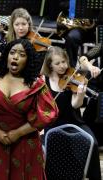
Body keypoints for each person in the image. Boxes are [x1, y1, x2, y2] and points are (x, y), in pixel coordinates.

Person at [0, 38, 58, 180]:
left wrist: (17, 133)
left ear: (28, 60)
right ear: (6, 55)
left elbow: (48, 114)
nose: (16, 57)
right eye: (12, 53)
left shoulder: (37, 85)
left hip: (24, 142)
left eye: (22, 55)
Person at [40, 46, 102, 180]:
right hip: (53, 124)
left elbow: (75, 105)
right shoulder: (43, 81)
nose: (62, 66)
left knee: (93, 143)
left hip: (74, 122)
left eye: (64, 62)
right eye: (57, 63)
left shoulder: (74, 77)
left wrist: (80, 94)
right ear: (50, 65)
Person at [79, 44, 103, 146]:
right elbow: (83, 58)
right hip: (99, 87)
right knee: (93, 106)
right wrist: (91, 67)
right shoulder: (102, 46)